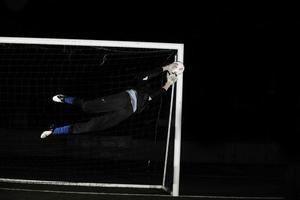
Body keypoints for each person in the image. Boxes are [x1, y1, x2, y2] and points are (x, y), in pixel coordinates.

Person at [40, 62, 184, 139]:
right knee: (87, 107)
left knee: (92, 126)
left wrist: (168, 84)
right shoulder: (142, 81)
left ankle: (54, 131)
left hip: (127, 112)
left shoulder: (151, 95)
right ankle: (64, 98)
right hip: (122, 99)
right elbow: (145, 75)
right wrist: (166, 67)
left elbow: (153, 97)